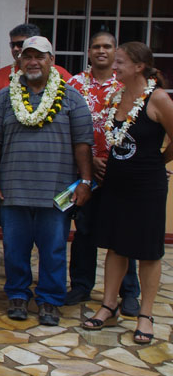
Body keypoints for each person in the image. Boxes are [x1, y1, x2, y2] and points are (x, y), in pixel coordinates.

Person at [0, 36, 93, 326]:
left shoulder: (71, 97)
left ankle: (50, 300)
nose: (33, 62)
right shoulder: (6, 97)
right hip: (13, 190)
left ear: (51, 61)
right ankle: (17, 294)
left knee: (54, 249)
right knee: (15, 249)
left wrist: (85, 181)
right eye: (27, 57)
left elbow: (83, 143)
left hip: (56, 192)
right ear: (19, 62)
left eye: (40, 57)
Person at [83, 43, 173, 344]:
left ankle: (145, 314)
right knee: (115, 246)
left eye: (120, 62)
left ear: (138, 66)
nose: (114, 66)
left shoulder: (158, 98)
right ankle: (109, 305)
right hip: (116, 184)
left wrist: (159, 161)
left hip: (147, 185)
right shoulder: (117, 96)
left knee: (148, 250)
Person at [65, 31, 140, 311]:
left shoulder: (127, 84)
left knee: (123, 232)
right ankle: (81, 286)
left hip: (119, 169)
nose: (101, 51)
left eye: (107, 46)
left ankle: (128, 292)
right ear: (88, 52)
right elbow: (66, 126)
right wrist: (88, 161)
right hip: (85, 170)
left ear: (115, 51)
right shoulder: (74, 84)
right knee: (84, 230)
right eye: (96, 46)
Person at [0, 23, 70, 93]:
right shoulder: (0, 75)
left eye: (20, 44)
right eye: (12, 45)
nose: (15, 48)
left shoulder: (61, 74)